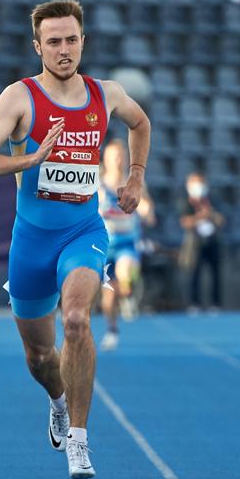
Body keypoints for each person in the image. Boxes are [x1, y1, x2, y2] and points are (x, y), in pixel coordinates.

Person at [0, 0, 151, 479]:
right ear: (38, 47)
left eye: (71, 39)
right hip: (30, 241)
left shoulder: (105, 95)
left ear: (83, 40)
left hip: (83, 231)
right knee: (40, 356)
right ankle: (57, 400)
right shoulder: (18, 99)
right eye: (53, 42)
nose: (64, 49)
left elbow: (141, 122)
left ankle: (79, 440)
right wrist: (26, 160)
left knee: (75, 320)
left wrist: (135, 177)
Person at [98, 139, 155, 351]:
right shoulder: (99, 184)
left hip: (127, 241)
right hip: (104, 244)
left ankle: (129, 295)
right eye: (114, 156)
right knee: (108, 294)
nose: (118, 160)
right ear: (106, 159)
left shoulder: (134, 183)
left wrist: (146, 209)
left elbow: (148, 209)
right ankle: (112, 330)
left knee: (124, 273)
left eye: (121, 156)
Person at [178, 172, 225, 313]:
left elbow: (221, 220)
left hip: (212, 241)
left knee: (215, 274)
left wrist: (210, 214)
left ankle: (216, 304)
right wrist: (200, 216)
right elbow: (185, 222)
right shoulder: (186, 202)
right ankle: (194, 303)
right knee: (194, 275)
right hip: (195, 244)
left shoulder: (212, 200)